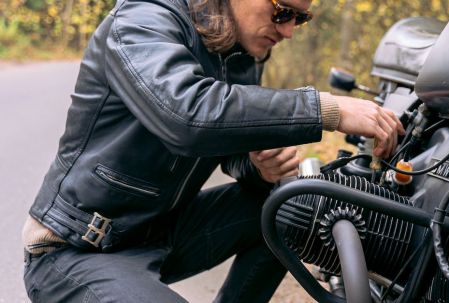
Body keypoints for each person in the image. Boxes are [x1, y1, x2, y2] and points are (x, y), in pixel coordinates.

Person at [21, 0, 404, 302]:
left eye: (299, 19)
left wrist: (259, 166)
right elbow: (186, 117)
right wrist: (324, 109)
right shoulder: (143, 18)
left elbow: (226, 149)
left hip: (163, 231)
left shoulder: (238, 53)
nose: (288, 30)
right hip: (83, 247)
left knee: (294, 203)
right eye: (282, 12)